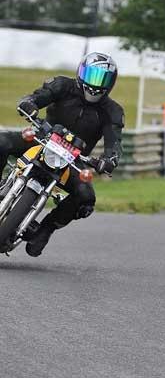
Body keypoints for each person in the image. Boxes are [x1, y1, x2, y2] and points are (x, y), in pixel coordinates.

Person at [0, 52, 123, 256]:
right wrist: (29, 103)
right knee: (1, 142)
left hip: (72, 159)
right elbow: (39, 96)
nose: (94, 84)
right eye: (91, 75)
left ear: (111, 83)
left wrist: (110, 159)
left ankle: (46, 229)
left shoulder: (113, 111)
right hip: (41, 138)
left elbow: (114, 140)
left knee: (86, 198)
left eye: (101, 79)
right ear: (80, 72)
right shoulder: (62, 85)